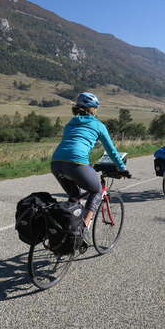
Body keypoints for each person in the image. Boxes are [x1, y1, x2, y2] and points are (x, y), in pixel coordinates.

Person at [51, 92, 131, 231]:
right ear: (93, 109)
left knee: (74, 196)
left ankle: (66, 227)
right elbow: (111, 151)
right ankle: (82, 229)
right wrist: (122, 167)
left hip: (56, 162)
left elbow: (71, 143)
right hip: (77, 162)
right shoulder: (98, 125)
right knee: (96, 191)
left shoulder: (70, 122)